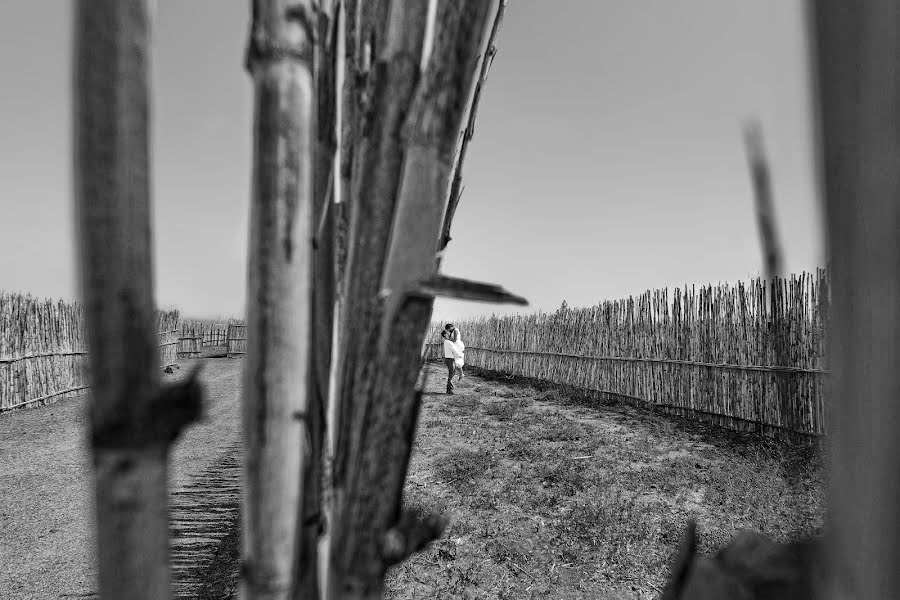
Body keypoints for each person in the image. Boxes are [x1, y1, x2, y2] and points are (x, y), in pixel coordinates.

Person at [442, 324, 463, 394]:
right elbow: (454, 350)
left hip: (449, 359)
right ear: (445, 335)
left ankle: (449, 390)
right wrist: (459, 355)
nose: (450, 334)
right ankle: (449, 390)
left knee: (452, 373)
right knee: (452, 373)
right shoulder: (448, 342)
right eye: (448, 333)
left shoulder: (446, 342)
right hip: (449, 360)